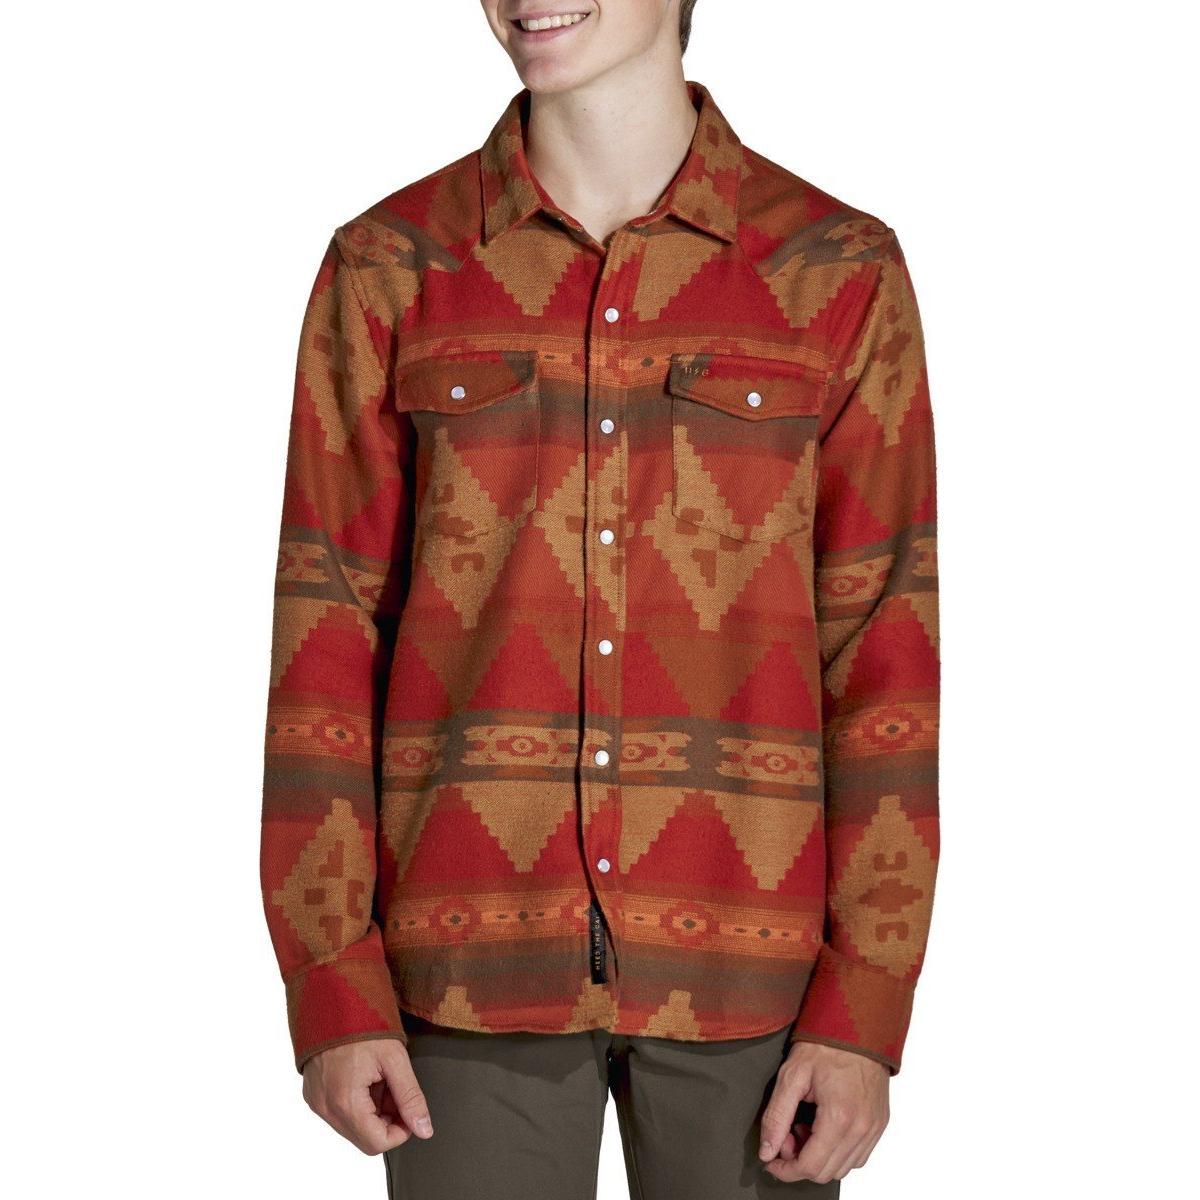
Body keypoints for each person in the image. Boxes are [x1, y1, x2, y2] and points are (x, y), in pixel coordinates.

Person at [259, 2, 940, 1195]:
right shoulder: (390, 267)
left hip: (758, 982)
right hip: (464, 974)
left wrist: (866, 1002)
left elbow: (884, 651)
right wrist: (330, 979)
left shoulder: (835, 270)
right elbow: (324, 638)